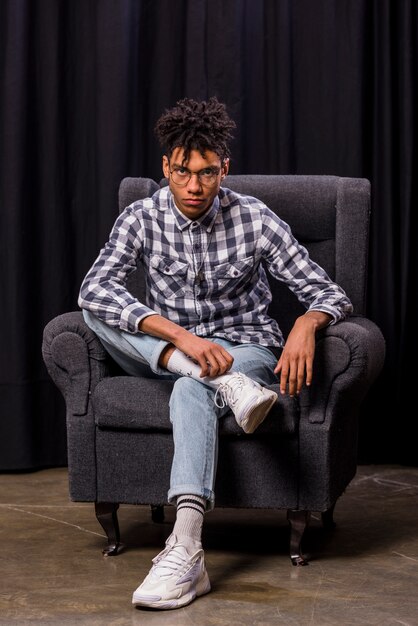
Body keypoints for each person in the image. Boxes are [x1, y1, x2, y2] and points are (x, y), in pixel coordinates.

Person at [78, 96, 353, 610]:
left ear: (224, 168)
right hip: (168, 350)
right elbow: (95, 288)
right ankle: (203, 374)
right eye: (181, 172)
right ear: (166, 166)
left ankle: (185, 549)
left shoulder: (255, 219)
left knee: (191, 387)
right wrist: (181, 338)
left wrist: (307, 323)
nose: (193, 187)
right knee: (96, 311)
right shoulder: (142, 217)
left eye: (206, 173)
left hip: (245, 353)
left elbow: (329, 293)